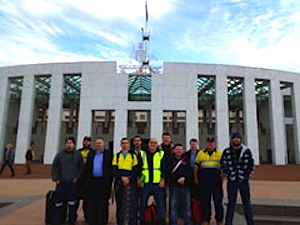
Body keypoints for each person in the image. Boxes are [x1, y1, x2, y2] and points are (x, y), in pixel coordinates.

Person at [221, 132, 255, 225]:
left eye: (238, 138)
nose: (236, 139)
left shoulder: (246, 151)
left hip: (243, 180)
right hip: (232, 181)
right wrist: (229, 174)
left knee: (247, 203)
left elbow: (251, 165)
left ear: (241, 139)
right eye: (234, 138)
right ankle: (228, 223)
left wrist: (246, 175)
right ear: (232, 139)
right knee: (231, 203)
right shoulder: (227, 151)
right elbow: (223, 164)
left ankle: (250, 223)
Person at [51, 137, 84, 225]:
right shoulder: (60, 155)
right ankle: (58, 220)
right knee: (59, 203)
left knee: (72, 203)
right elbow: (54, 167)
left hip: (72, 184)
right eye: (67, 143)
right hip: (61, 183)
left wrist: (77, 177)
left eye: (71, 143)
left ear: (74, 144)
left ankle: (71, 220)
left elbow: (81, 168)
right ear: (65, 144)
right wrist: (55, 178)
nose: (69, 144)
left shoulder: (78, 155)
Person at [83, 137, 113, 225]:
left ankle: (102, 221)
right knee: (92, 201)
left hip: (103, 182)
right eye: (97, 143)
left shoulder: (108, 154)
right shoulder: (91, 154)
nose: (98, 145)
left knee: (102, 202)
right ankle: (93, 220)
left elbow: (110, 169)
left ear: (104, 144)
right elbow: (87, 168)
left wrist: (109, 183)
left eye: (100, 143)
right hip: (92, 182)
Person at [194, 136, 223, 225]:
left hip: (216, 183)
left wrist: (223, 177)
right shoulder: (201, 153)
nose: (210, 144)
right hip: (204, 182)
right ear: (206, 143)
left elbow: (224, 167)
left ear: (214, 143)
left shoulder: (219, 153)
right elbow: (196, 166)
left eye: (212, 142)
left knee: (218, 202)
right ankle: (205, 220)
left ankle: (219, 220)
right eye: (209, 142)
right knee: (205, 202)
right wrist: (195, 178)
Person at [140, 137, 167, 225]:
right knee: (143, 204)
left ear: (157, 144)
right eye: (151, 142)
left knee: (160, 205)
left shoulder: (161, 154)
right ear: (148, 144)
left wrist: (163, 179)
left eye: (155, 143)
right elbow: (138, 168)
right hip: (145, 183)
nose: (153, 144)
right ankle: (143, 221)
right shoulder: (142, 154)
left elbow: (164, 168)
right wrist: (138, 179)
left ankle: (161, 222)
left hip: (157, 183)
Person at [113, 137, 139, 225]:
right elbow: (114, 169)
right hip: (119, 181)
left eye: (126, 143)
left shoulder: (132, 156)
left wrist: (129, 178)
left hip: (130, 181)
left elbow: (136, 169)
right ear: (120, 145)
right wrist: (121, 178)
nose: (125, 145)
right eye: (123, 143)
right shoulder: (117, 156)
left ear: (129, 145)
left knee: (131, 204)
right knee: (120, 204)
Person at [169, 143, 192, 225]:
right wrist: (176, 179)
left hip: (185, 187)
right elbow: (168, 173)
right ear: (174, 150)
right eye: (177, 149)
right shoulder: (170, 160)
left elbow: (190, 171)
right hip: (174, 187)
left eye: (180, 149)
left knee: (186, 207)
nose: (179, 151)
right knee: (173, 207)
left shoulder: (186, 160)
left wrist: (184, 178)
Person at [77, 136, 93, 222]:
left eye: (88, 141)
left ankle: (87, 216)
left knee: (87, 200)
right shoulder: (78, 152)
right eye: (85, 141)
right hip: (79, 179)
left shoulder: (92, 152)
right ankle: (73, 216)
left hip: (88, 179)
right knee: (76, 199)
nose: (86, 143)